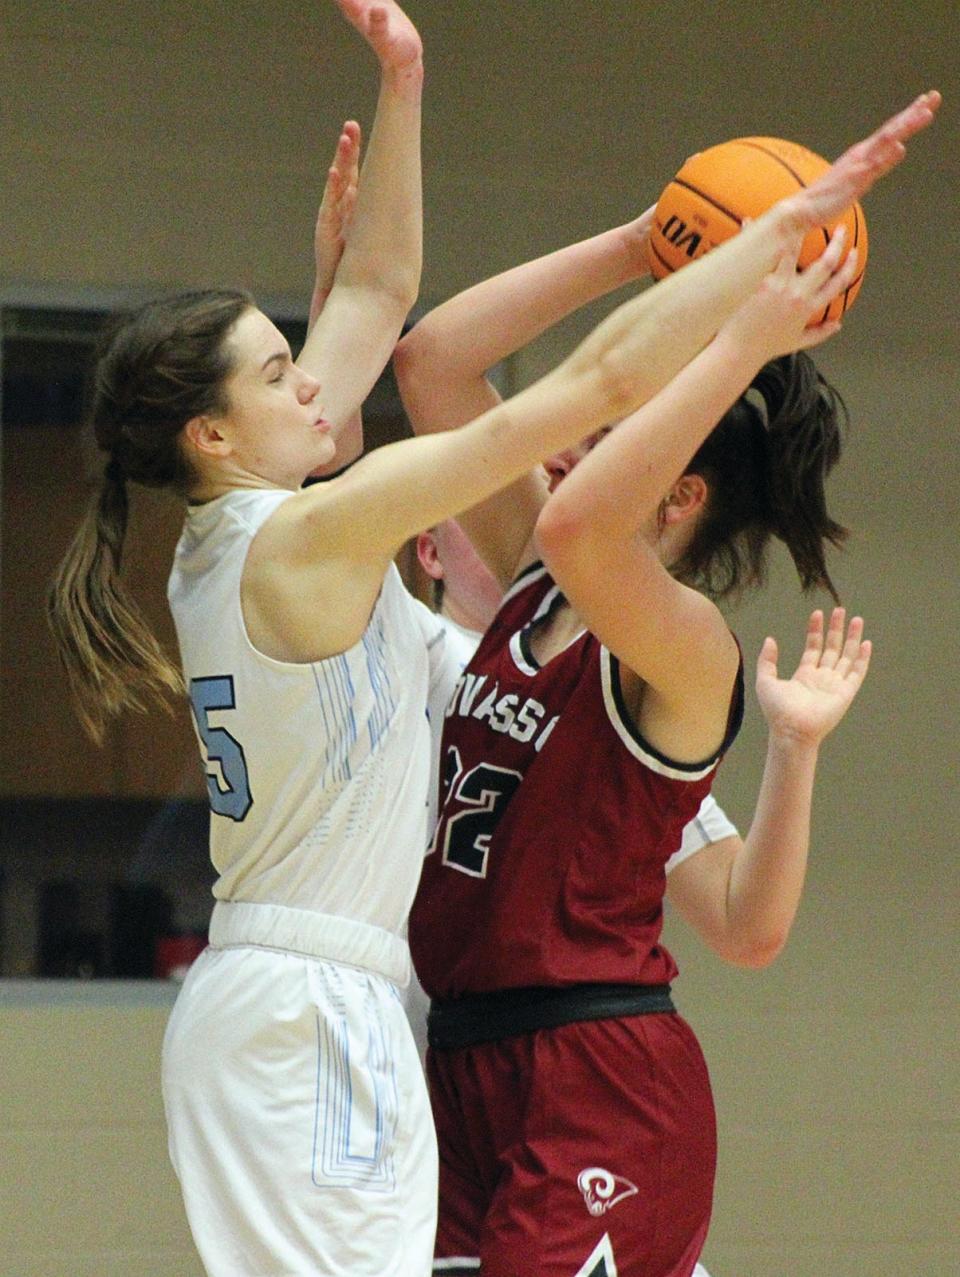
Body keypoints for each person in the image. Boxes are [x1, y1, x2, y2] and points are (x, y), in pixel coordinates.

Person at [46, 51, 937, 1274]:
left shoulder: (622, 624)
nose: (310, 384)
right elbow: (509, 385)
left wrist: (405, 82)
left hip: (519, 1053)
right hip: (371, 1015)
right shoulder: (343, 543)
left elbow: (385, 304)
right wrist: (744, 264)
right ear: (213, 433)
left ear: (677, 489)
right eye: (275, 373)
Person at [394, 97, 939, 1275]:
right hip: (467, 1062)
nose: (572, 431)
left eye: (614, 427)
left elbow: (591, 524)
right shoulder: (542, 586)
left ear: (681, 495)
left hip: (596, 1080)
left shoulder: (684, 647)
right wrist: (660, 240)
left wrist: (740, 332)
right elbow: (433, 361)